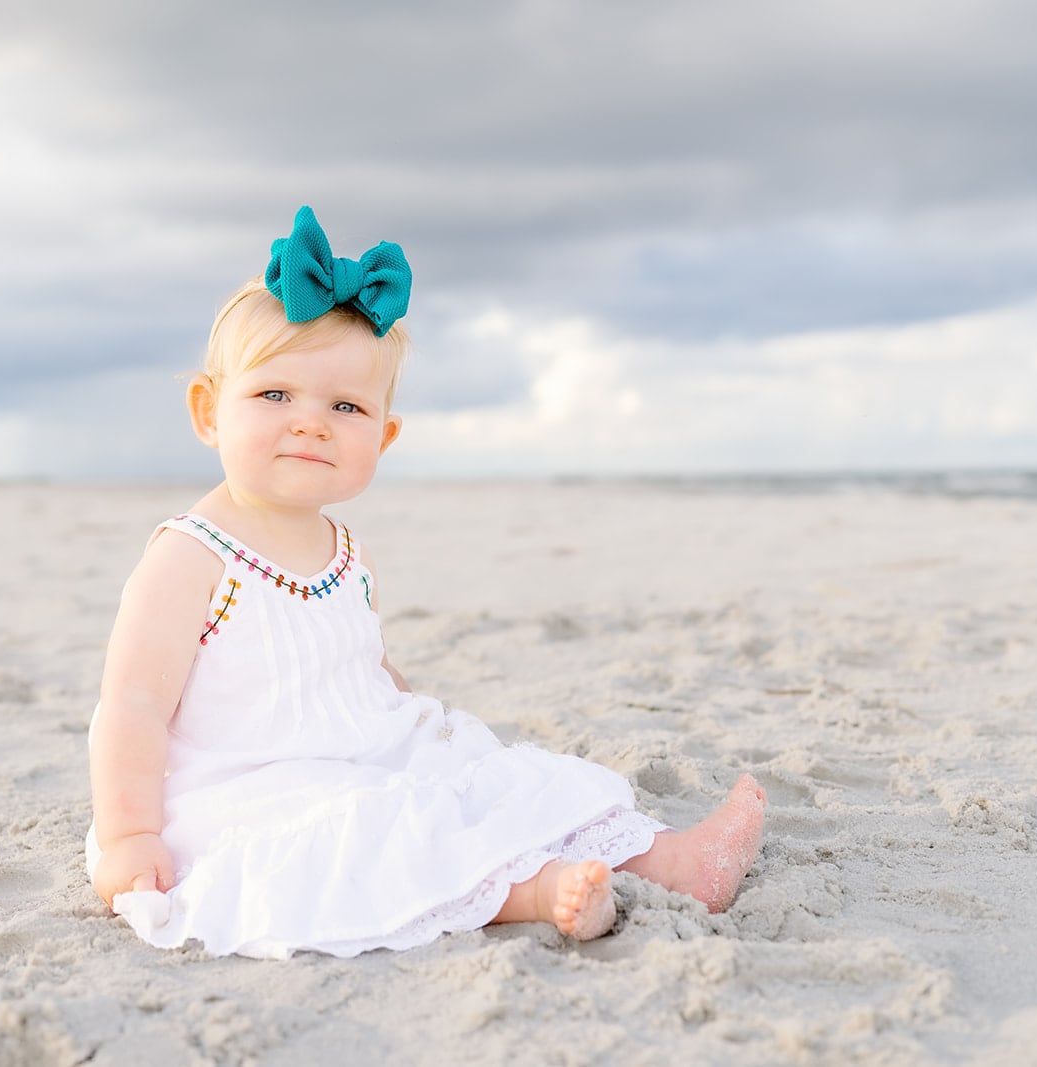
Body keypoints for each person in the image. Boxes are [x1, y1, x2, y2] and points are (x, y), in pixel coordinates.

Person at [87, 206, 766, 958]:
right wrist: (129, 834)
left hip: (363, 742)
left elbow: (356, 660)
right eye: (274, 395)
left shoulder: (349, 552)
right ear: (209, 411)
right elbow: (133, 703)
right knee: (372, 832)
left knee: (492, 780)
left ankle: (671, 860)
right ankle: (536, 894)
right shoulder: (192, 555)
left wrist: (416, 719)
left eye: (345, 407)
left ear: (382, 436)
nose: (310, 422)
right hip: (259, 780)